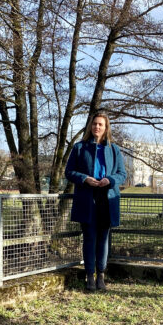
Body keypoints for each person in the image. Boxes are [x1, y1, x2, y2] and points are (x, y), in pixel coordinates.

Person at [65, 112, 127, 291]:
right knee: (89, 238)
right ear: (90, 126)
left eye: (100, 124)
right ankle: (89, 276)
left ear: (106, 127)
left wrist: (110, 180)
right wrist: (84, 178)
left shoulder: (114, 149)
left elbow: (122, 174)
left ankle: (101, 276)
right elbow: (69, 172)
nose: (97, 127)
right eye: (94, 124)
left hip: (107, 198)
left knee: (103, 239)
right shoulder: (79, 148)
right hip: (87, 197)